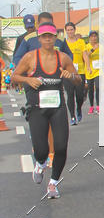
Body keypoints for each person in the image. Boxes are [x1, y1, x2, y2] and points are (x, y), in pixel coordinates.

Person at [12, 22, 81, 199]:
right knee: (41, 150)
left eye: (51, 35)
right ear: (39, 38)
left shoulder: (63, 58)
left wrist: (70, 76)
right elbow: (15, 76)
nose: (48, 39)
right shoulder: (30, 57)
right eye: (44, 36)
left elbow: (78, 79)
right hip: (37, 108)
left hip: (57, 107)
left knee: (60, 146)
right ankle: (40, 164)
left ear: (55, 37)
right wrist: (29, 81)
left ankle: (53, 183)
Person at [64, 21, 87, 123]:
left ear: (75, 30)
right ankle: (72, 116)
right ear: (66, 31)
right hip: (68, 73)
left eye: (71, 29)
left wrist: (88, 67)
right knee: (70, 94)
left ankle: (79, 109)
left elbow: (85, 55)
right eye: (68, 30)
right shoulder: (64, 43)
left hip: (79, 72)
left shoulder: (81, 42)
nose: (70, 32)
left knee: (79, 95)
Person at [83, 31, 101, 114]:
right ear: (89, 37)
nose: (94, 38)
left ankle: (98, 106)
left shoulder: (100, 46)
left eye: (95, 36)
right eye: (92, 36)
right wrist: (93, 49)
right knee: (90, 89)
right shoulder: (86, 46)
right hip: (89, 70)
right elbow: (85, 56)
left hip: (98, 71)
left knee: (98, 87)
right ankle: (91, 106)